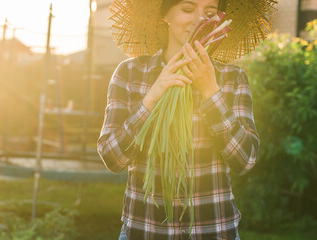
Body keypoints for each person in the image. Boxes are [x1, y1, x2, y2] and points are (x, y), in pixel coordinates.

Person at [98, 0, 272, 238]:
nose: (200, 19)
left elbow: (245, 160)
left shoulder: (232, 78)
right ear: (165, 15)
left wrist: (210, 91)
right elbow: (112, 157)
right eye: (188, 9)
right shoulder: (130, 73)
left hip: (214, 231)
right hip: (145, 231)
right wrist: (154, 95)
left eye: (210, 12)